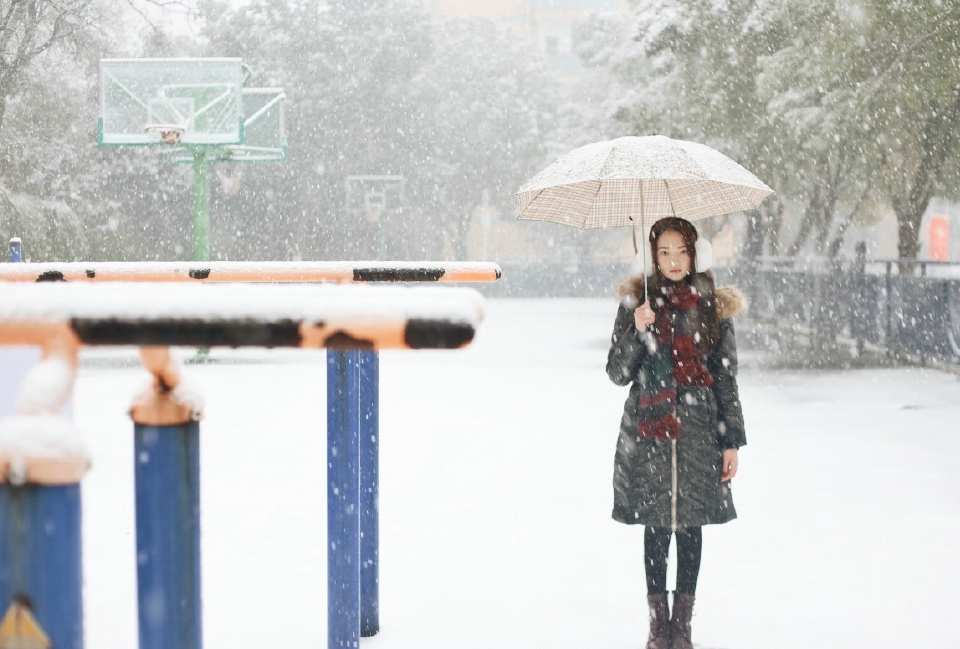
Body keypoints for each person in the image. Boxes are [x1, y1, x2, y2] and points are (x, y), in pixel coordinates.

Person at [606, 216, 746, 649]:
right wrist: (638, 328)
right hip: (648, 433)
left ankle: (682, 625)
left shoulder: (710, 306)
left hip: (698, 429)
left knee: (689, 525)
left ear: (694, 253)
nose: (672, 260)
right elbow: (617, 372)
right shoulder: (637, 302)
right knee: (655, 525)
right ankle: (657, 624)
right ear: (652, 256)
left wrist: (731, 441)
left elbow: (724, 377)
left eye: (680, 251)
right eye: (663, 252)